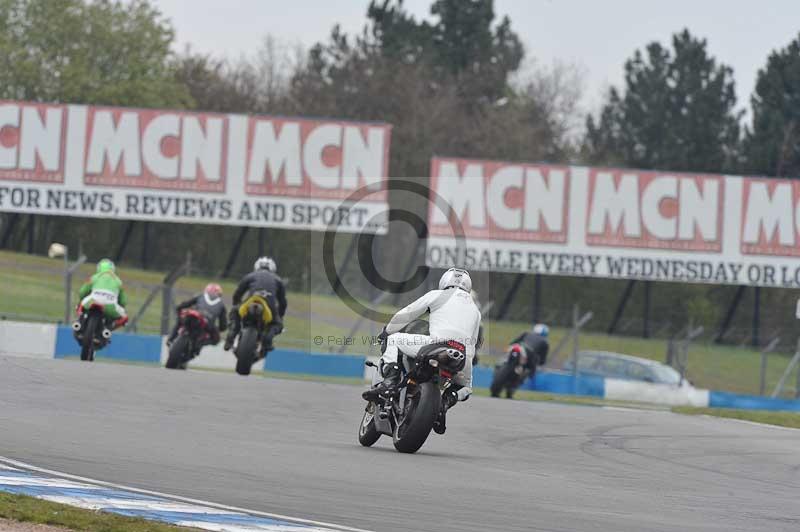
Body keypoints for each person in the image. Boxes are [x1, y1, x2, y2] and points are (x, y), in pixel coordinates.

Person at [363, 267, 482, 434]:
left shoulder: (437, 295)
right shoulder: (475, 311)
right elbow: (473, 343)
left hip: (436, 344)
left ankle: (389, 382)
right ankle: (446, 402)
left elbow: (406, 314)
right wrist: (466, 363)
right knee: (466, 388)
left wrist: (387, 332)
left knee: (394, 340)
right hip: (462, 355)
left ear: (445, 281)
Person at [224, 256, 287, 352]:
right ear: (273, 268)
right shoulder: (278, 280)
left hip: (250, 302)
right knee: (278, 325)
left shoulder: (250, 275)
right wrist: (280, 316)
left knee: (235, 312)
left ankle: (231, 336)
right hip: (269, 306)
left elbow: (238, 293)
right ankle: (267, 341)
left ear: (256, 266)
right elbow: (283, 302)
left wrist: (236, 304)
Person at [167, 283, 228, 347]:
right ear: (219, 294)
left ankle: (171, 339)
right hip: (207, 323)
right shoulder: (221, 304)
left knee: (180, 321)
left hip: (193, 317)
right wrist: (219, 329)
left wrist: (179, 310)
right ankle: (200, 344)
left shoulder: (201, 296)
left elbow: (185, 304)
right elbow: (223, 325)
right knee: (216, 340)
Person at [76, 258, 128, 329]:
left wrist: (81, 299)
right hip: (110, 306)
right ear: (113, 269)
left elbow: (82, 292)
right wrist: (120, 305)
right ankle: (109, 329)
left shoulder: (94, 277)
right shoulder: (119, 281)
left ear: (99, 268)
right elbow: (123, 301)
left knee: (80, 305)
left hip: (92, 301)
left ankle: (79, 321)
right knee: (125, 318)